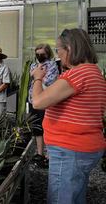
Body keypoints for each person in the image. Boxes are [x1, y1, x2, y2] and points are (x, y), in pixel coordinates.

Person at [32, 28, 106, 204]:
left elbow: (38, 102)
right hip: (83, 148)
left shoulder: (78, 74)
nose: (58, 55)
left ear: (70, 49)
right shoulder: (95, 73)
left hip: (70, 150)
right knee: (75, 197)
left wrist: (37, 78)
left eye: (58, 50)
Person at [28, 44, 59, 167]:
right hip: (33, 99)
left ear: (47, 54)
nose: (39, 56)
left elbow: (49, 81)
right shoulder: (33, 65)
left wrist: (37, 77)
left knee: (46, 126)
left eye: (42, 54)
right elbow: (32, 79)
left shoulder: (52, 65)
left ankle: (49, 155)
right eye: (37, 54)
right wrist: (38, 76)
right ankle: (39, 153)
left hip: (46, 100)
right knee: (36, 127)